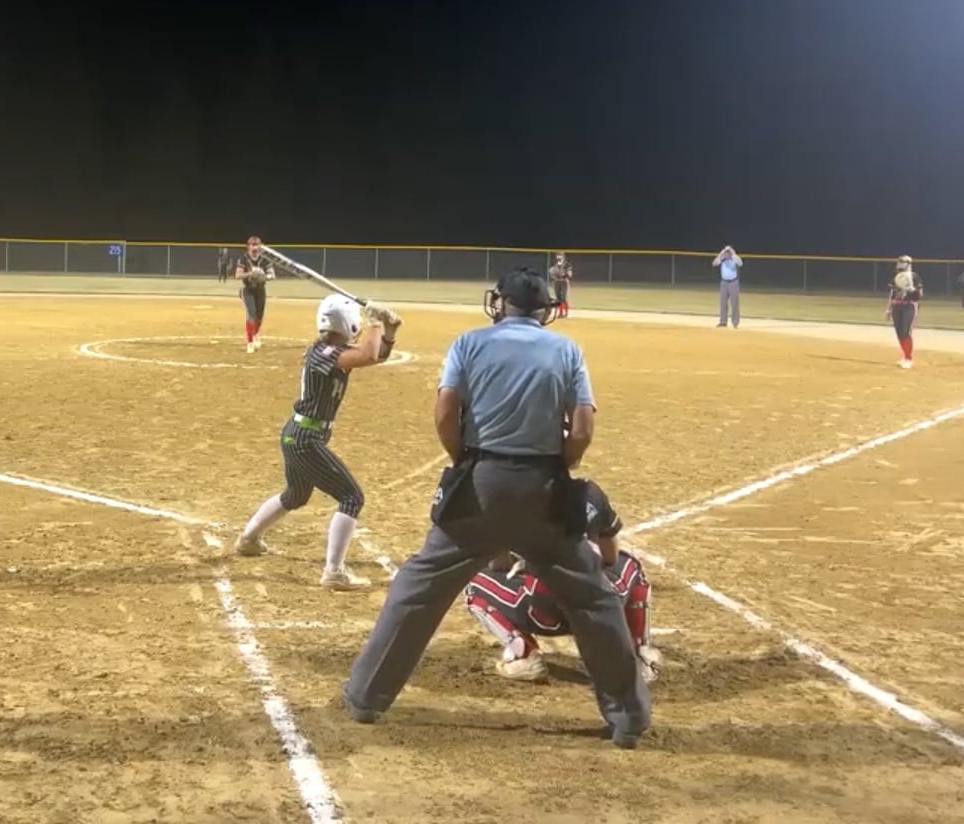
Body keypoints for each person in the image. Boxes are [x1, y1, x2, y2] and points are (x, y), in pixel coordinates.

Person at [341, 268, 650, 748]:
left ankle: (366, 697)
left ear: (501, 303)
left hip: (481, 485)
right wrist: (558, 465)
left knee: (418, 587)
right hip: (545, 489)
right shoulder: (567, 350)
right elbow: (582, 430)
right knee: (594, 598)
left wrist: (464, 461)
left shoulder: (469, 343)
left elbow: (446, 414)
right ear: (544, 310)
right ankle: (628, 718)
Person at [233, 295, 402, 589]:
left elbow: (375, 355)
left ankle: (248, 539)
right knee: (351, 498)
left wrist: (389, 331)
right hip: (305, 440)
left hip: (300, 435)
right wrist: (375, 321)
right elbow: (367, 355)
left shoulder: (333, 351)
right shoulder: (323, 353)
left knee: (296, 495)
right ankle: (333, 572)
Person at [463, 476, 661, 686]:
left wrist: (521, 560)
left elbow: (498, 564)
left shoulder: (510, 500)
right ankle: (638, 657)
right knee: (630, 565)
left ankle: (523, 654)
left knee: (475, 582)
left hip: (546, 614)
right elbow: (610, 557)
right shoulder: (590, 492)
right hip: (602, 610)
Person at [234, 236, 276, 353]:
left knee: (259, 316)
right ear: (248, 246)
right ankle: (250, 342)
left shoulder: (265, 259)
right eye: (252, 245)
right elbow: (238, 275)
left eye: (257, 245)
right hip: (248, 289)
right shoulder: (244, 258)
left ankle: (256, 334)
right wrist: (250, 274)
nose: (255, 247)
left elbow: (272, 275)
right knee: (251, 314)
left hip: (260, 289)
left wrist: (263, 276)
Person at [885, 255, 923, 369]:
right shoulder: (896, 277)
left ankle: (908, 358)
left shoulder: (914, 276)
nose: (899, 263)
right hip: (897, 306)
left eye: (902, 261)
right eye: (899, 261)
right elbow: (892, 295)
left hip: (909, 306)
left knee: (905, 332)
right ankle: (905, 356)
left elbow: (919, 295)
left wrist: (912, 290)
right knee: (899, 333)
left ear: (908, 264)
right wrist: (888, 309)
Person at [713, 245, 742, 328]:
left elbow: (740, 263)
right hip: (724, 283)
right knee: (723, 303)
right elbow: (714, 263)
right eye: (726, 252)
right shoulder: (722, 259)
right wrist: (721, 253)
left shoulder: (734, 259)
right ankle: (723, 321)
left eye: (728, 252)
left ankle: (735, 323)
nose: (727, 254)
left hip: (733, 283)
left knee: (734, 303)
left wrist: (733, 252)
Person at [548, 253, 574, 318]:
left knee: (563, 298)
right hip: (556, 282)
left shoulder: (567, 265)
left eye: (560, 256)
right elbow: (551, 273)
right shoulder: (555, 265)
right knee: (558, 298)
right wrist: (554, 276)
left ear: (563, 257)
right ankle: (560, 313)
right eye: (558, 256)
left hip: (564, 282)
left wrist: (565, 274)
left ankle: (566, 313)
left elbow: (569, 274)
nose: (559, 258)